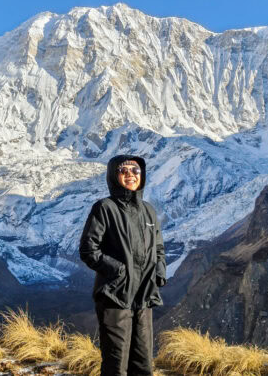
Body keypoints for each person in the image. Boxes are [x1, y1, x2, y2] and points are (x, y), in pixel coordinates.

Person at [79, 154, 166, 376]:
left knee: (143, 365)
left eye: (135, 170)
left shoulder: (148, 211)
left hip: (144, 296)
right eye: (123, 170)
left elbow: (158, 247)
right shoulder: (104, 208)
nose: (130, 175)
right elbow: (89, 250)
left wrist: (159, 272)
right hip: (115, 296)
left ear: (142, 175)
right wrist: (118, 271)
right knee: (116, 364)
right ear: (113, 175)